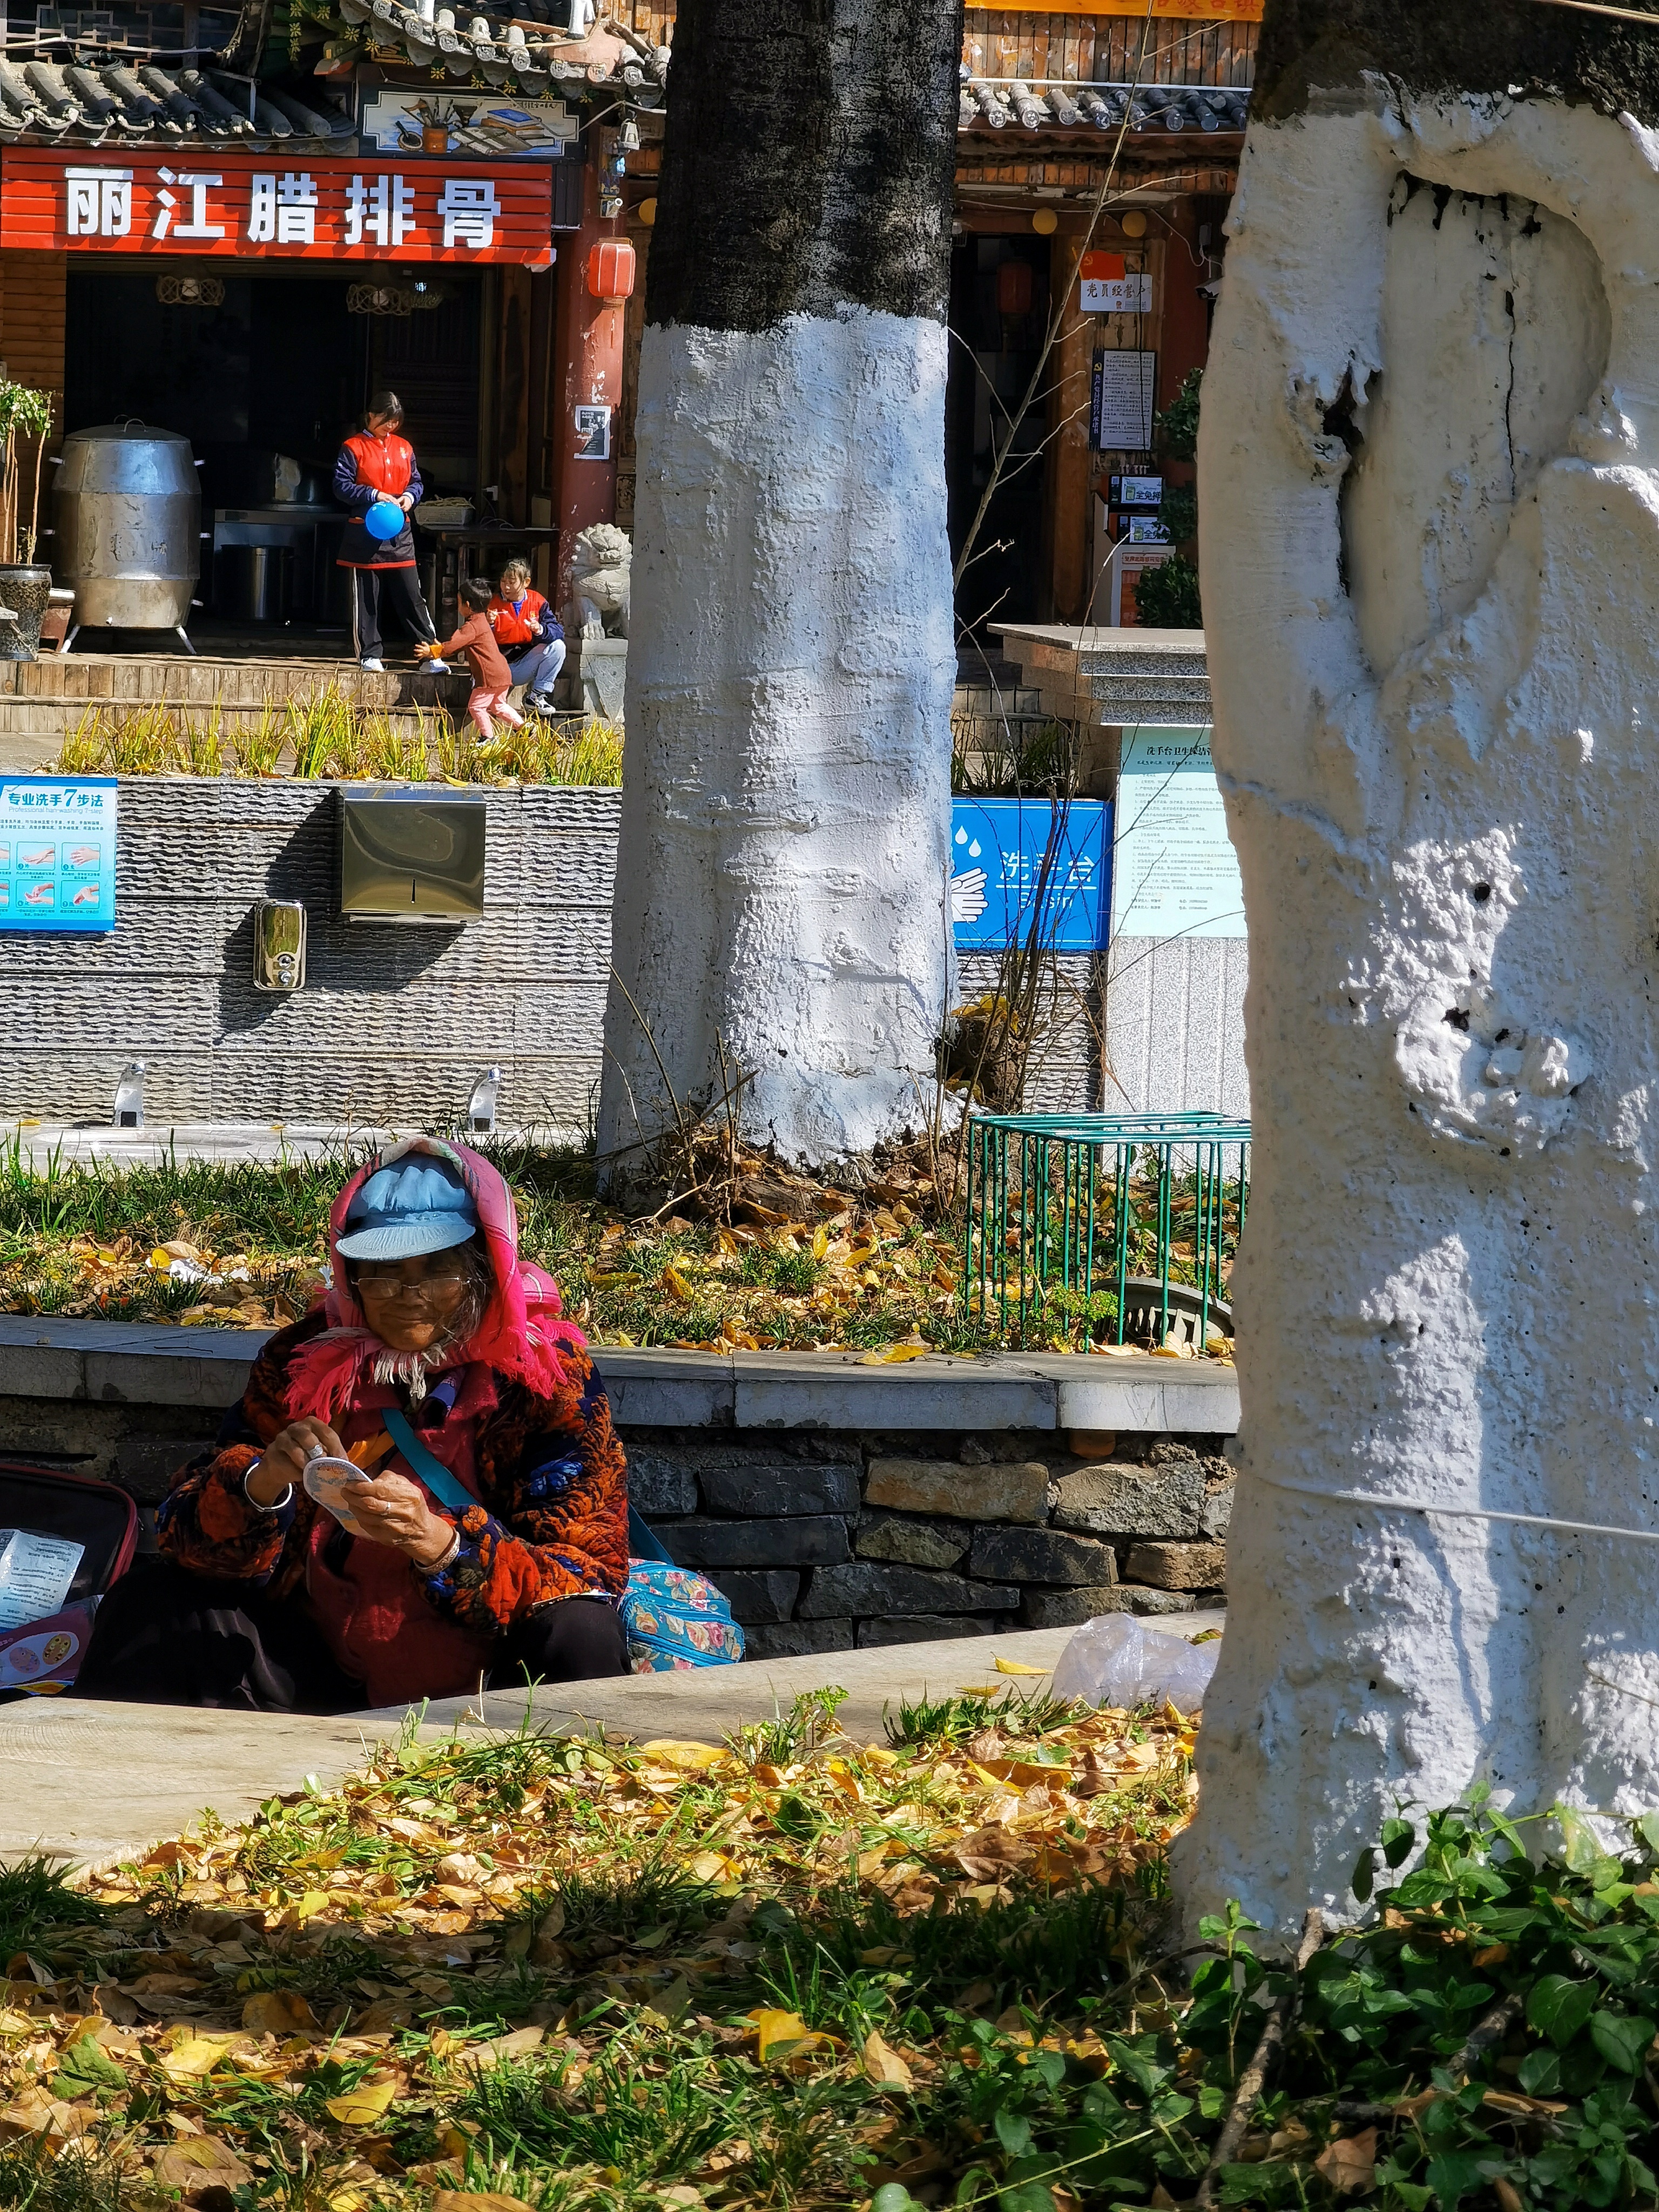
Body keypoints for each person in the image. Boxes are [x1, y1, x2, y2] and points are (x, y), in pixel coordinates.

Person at [75, 1140, 630, 1711]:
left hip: (491, 1684)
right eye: (385, 1274)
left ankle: (566, 1793)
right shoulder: (300, 1359)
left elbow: (587, 1571)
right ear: (351, 1273)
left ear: (486, 1266)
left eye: (439, 1271)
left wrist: (441, 1545)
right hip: (320, 1671)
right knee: (151, 1600)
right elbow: (183, 1538)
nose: (408, 1297)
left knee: (581, 1632)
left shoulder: (547, 1378)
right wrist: (260, 1484)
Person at [334, 390, 448, 676]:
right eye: (386, 421)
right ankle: (370, 655)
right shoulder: (353, 447)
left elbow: (417, 482)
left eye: (395, 422)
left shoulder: (404, 448)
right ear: (371, 415)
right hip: (365, 532)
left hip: (399, 532)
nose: (390, 427)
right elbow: (341, 486)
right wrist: (374, 494)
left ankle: (429, 654)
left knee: (412, 596)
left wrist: (410, 497)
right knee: (368, 599)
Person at [416, 578, 520, 745]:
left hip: (490, 676)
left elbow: (454, 646)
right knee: (498, 705)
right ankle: (524, 727)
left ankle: (488, 738)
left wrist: (433, 651)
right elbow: (456, 645)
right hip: (503, 673)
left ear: (467, 605)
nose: (459, 607)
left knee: (476, 706)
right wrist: (442, 648)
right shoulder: (482, 622)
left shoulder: (471, 626)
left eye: (459, 603)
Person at [486, 558, 565, 717]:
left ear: (526, 582)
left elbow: (558, 630)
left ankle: (537, 696)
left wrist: (540, 630)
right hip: (499, 667)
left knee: (558, 646)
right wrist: (490, 625)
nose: (506, 587)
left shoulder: (538, 601)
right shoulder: (492, 603)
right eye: (503, 581)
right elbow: (477, 638)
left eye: (512, 582)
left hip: (525, 663)